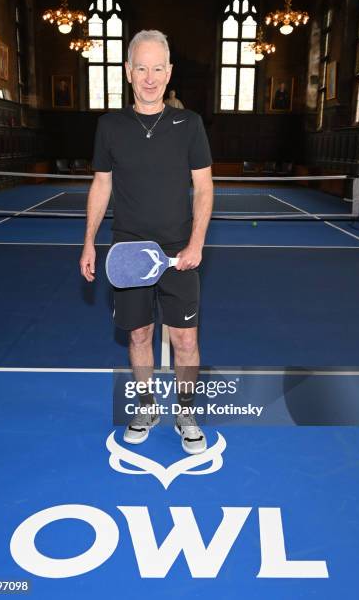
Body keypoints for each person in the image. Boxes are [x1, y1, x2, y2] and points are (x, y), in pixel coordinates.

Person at [80, 30, 213, 454]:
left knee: (185, 340)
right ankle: (146, 405)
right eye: (142, 68)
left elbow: (205, 188)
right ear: (128, 72)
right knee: (138, 336)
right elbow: (101, 186)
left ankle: (186, 410)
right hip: (129, 253)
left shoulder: (189, 124)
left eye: (158, 68)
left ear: (169, 72)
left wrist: (196, 244)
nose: (150, 77)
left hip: (180, 253)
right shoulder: (109, 126)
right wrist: (88, 242)